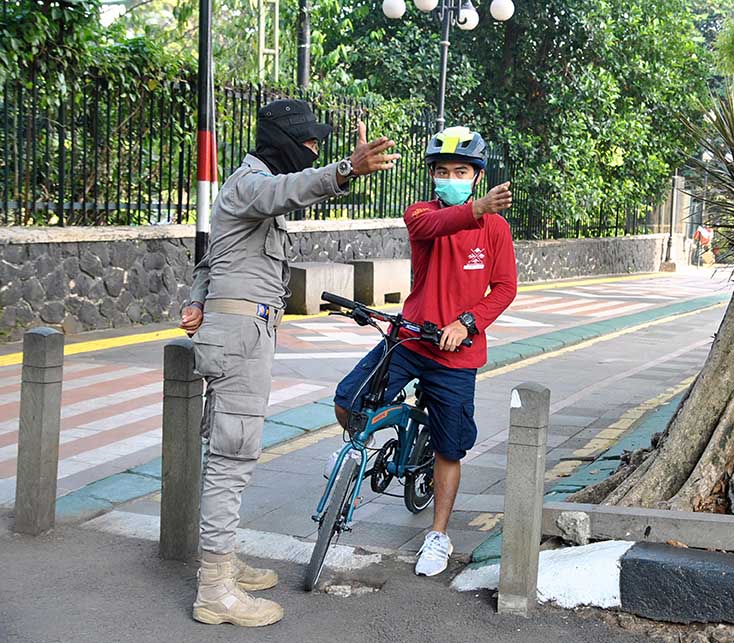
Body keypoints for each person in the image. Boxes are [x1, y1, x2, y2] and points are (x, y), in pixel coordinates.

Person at [179, 99, 399, 627]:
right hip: (240, 336)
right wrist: (345, 169)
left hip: (243, 330)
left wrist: (195, 297)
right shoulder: (251, 182)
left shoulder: (251, 188)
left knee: (232, 453)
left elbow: (214, 259)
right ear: (284, 139)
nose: (316, 148)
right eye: (311, 141)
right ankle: (214, 588)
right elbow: (285, 192)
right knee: (232, 458)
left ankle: (224, 562)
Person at [333, 126, 517, 577]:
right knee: (347, 400)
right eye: (442, 171)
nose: (450, 178)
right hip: (410, 337)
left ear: (475, 176)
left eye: (460, 171)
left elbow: (505, 288)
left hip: (457, 353)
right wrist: (474, 209)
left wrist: (467, 322)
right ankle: (375, 443)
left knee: (449, 451)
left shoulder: (496, 229)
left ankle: (438, 535)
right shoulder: (421, 214)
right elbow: (434, 225)